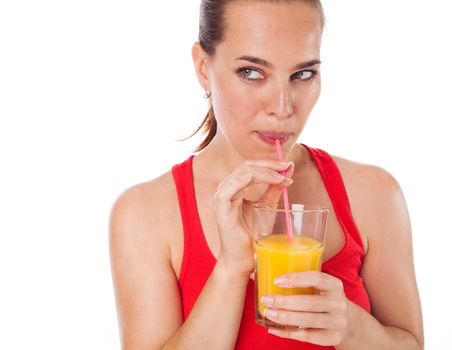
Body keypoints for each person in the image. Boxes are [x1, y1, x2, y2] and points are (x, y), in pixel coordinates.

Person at [109, 0, 424, 349]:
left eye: (302, 74)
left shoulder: (374, 194)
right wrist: (231, 268)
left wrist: (352, 327)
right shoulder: (144, 213)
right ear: (203, 67)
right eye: (252, 72)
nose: (283, 107)